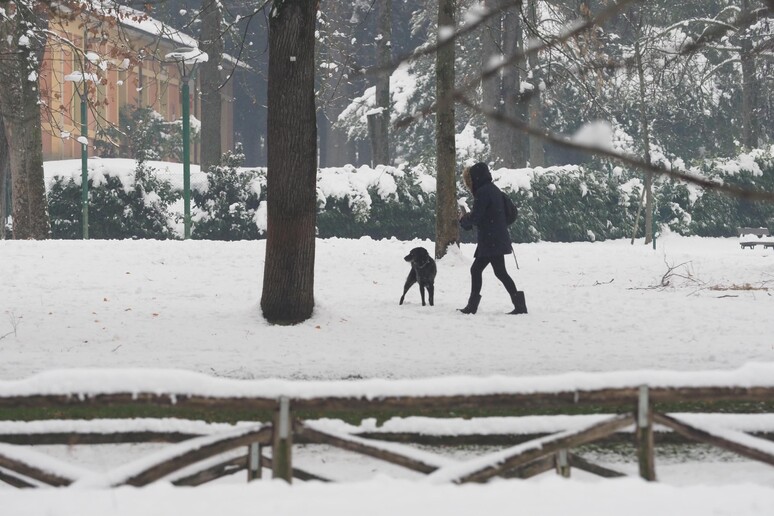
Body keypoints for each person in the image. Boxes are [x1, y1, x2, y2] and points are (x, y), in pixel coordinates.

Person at [458, 162, 527, 315]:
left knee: (477, 270)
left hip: (490, 239)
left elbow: (476, 217)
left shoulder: (483, 192)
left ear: (476, 177)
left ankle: (472, 306)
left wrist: (463, 220)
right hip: (496, 237)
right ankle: (519, 304)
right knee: (499, 272)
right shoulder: (494, 190)